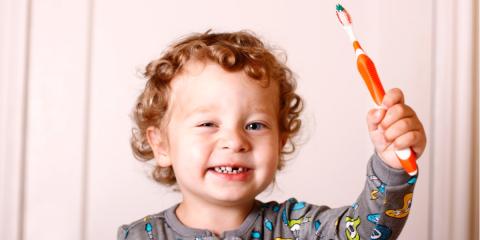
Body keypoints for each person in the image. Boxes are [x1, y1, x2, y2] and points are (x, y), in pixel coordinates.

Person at [118, 30, 426, 240]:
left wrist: (392, 165)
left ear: (280, 141)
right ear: (161, 145)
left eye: (254, 125)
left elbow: (364, 233)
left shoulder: (296, 227)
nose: (235, 141)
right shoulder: (139, 236)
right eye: (208, 124)